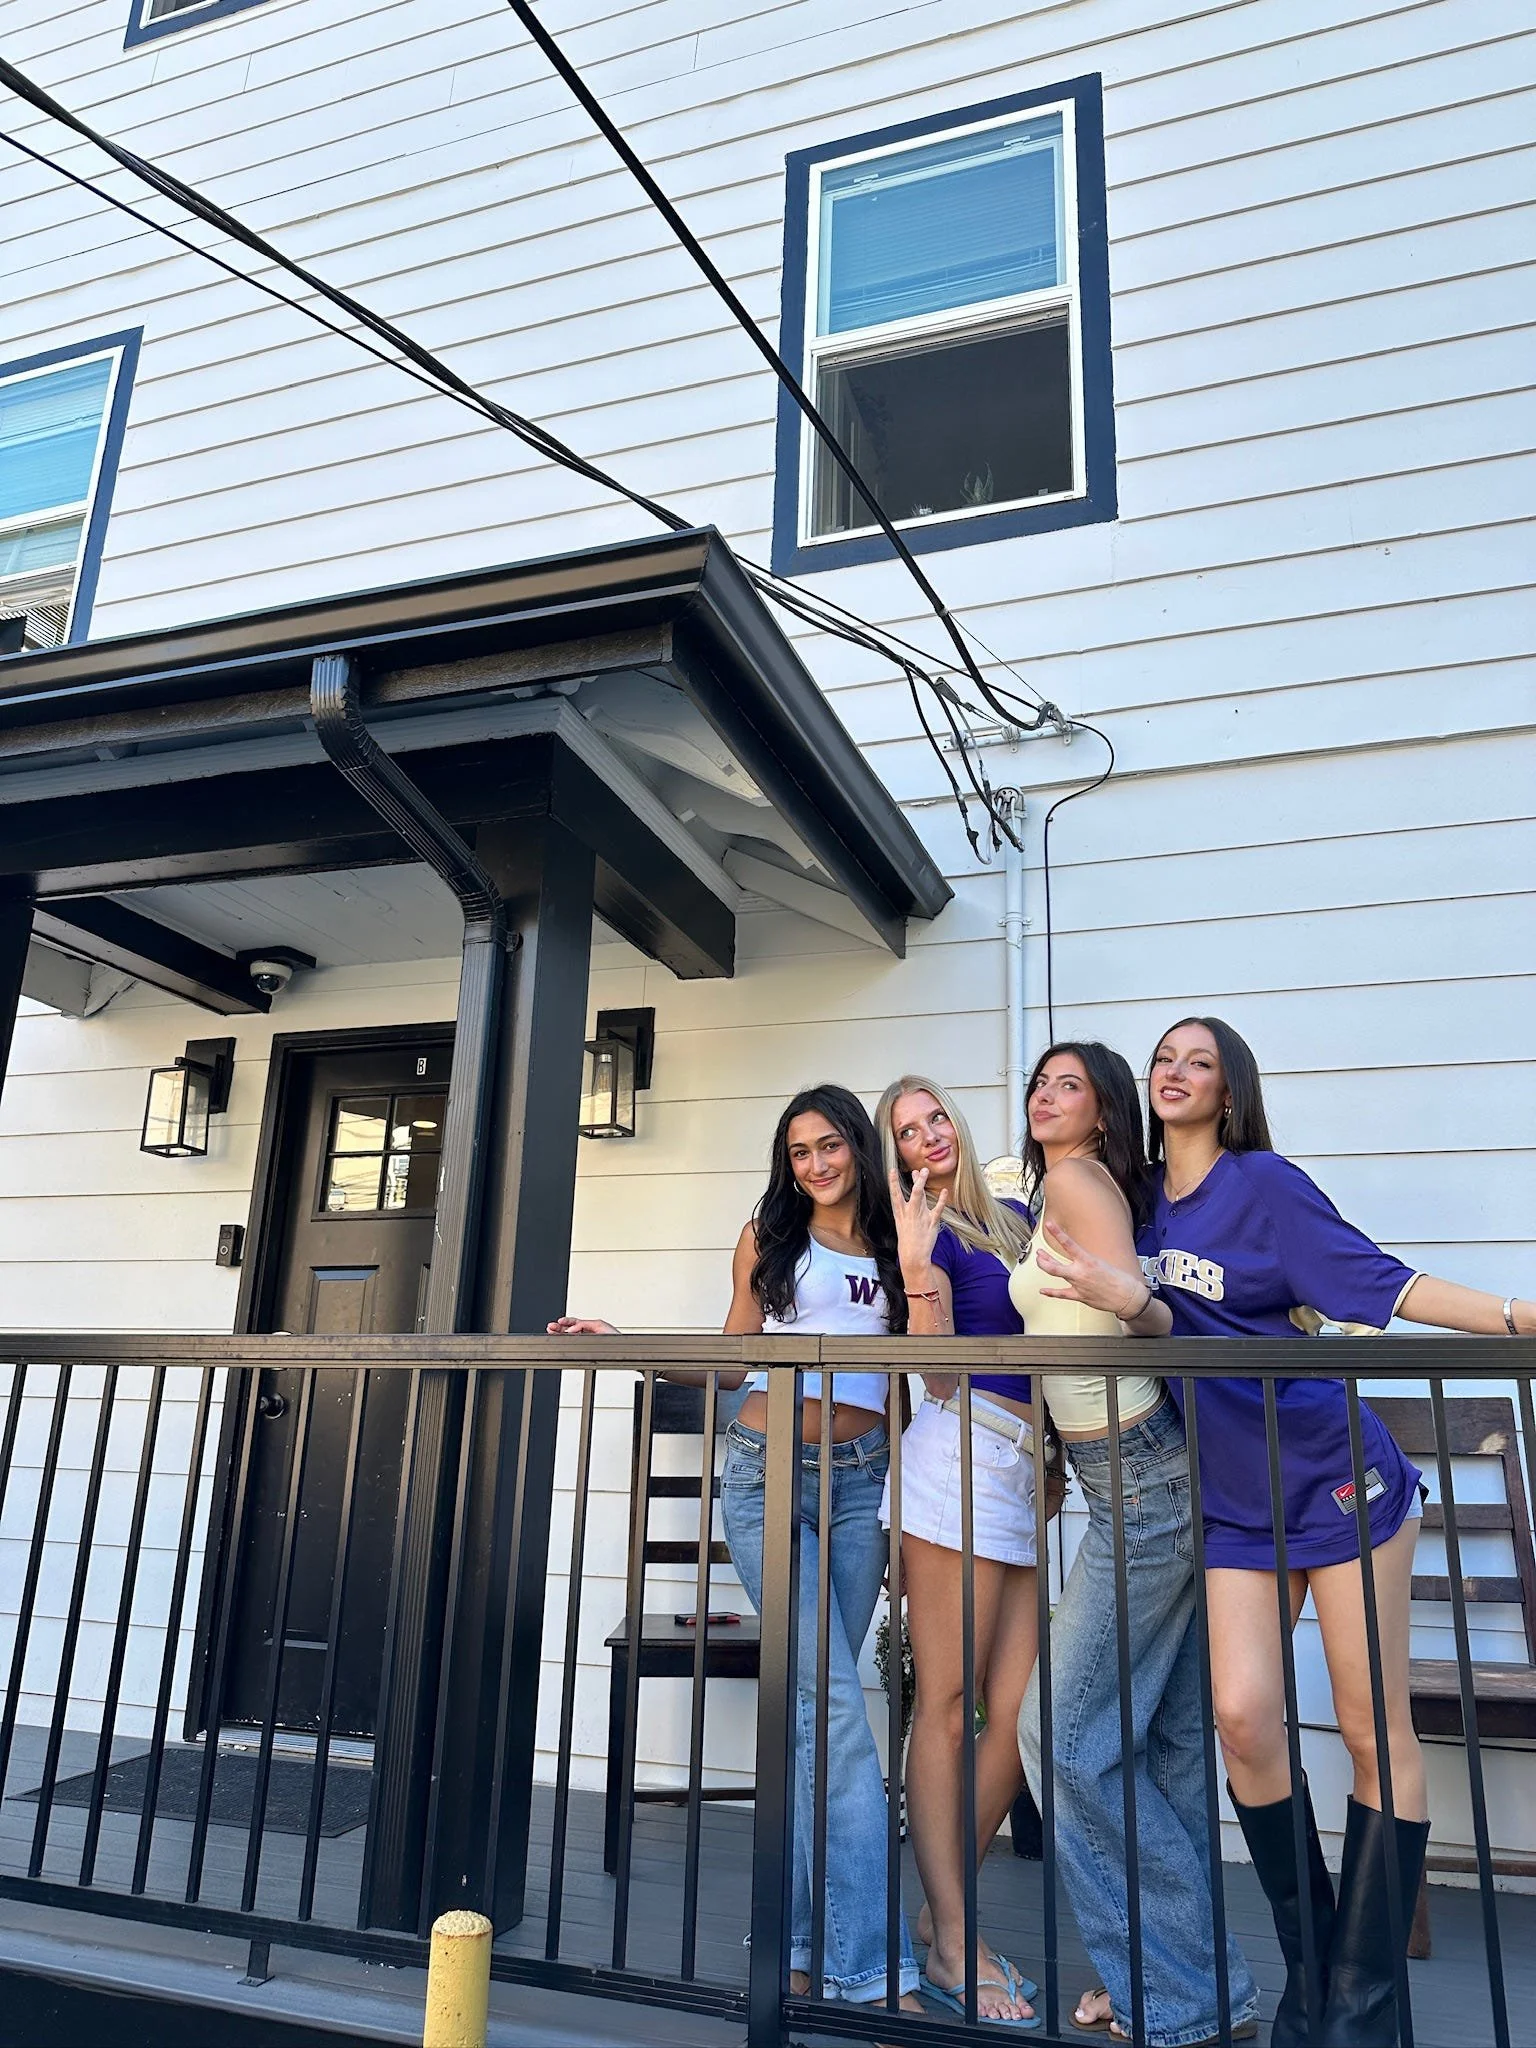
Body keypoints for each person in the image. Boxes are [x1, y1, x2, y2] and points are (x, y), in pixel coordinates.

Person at [1138, 1014, 1536, 2048]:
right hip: (1233, 1501)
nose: (1175, 1072)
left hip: (1335, 1479)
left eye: (1200, 1061)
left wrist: (1510, 1314)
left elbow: (1379, 1280)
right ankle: (1317, 1974)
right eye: (1164, 1057)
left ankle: (1355, 2017)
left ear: (1229, 1092)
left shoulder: (1262, 1182)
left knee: (1368, 1728)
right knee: (1243, 1716)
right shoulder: (1137, 1204)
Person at [550, 1083, 923, 2017]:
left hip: (862, 1483)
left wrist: (909, 1514)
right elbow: (730, 1359)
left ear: (859, 1148)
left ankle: (797, 1948)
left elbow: (912, 1388)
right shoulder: (769, 1236)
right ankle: (873, 1973)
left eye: (829, 1145)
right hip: (764, 1476)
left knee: (810, 1720)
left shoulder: (895, 1246)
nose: (815, 1164)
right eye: (798, 1151)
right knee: (835, 1713)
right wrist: (628, 1343)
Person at [1011, 1042, 1261, 2048]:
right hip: (1131, 1473)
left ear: (1105, 1113)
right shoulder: (1062, 1190)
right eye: (1038, 1080)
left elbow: (1125, 1305)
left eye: (1068, 1084)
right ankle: (1194, 1991)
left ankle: (1180, 1988)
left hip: (1144, 1473)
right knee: (1154, 1748)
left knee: (1061, 1738)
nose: (1045, 1095)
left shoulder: (1077, 1179)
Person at [876, 1074, 1040, 2026]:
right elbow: (935, 1371)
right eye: (908, 1131)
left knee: (1020, 1715)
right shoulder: (924, 1234)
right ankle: (953, 1940)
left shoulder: (1015, 1215)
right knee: (944, 1708)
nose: (928, 1136)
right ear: (898, 1155)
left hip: (1023, 1467)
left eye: (936, 1117)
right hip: (957, 1455)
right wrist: (914, 1265)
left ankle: (944, 1921)